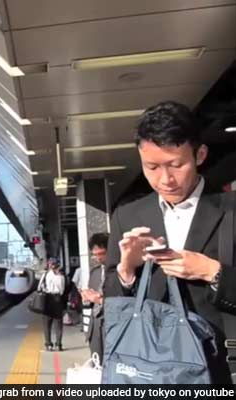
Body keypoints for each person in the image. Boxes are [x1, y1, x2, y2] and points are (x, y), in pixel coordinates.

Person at [103, 101, 236, 383]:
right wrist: (127, 269)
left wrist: (212, 272)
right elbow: (112, 300)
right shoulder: (127, 216)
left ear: (200, 154)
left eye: (176, 165)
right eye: (151, 167)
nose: (165, 179)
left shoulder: (230, 210)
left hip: (220, 370)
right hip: (149, 372)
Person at [82, 232, 109, 363]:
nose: (98, 258)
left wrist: (100, 300)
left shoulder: (122, 272)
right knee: (96, 364)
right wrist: (86, 296)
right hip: (95, 328)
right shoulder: (95, 273)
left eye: (102, 254)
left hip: (112, 327)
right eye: (95, 255)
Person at [41, 258, 66, 351]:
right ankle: (59, 345)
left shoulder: (46, 274)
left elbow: (40, 287)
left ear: (49, 265)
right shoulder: (62, 276)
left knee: (47, 324)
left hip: (47, 299)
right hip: (58, 299)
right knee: (58, 323)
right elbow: (63, 290)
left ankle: (48, 345)